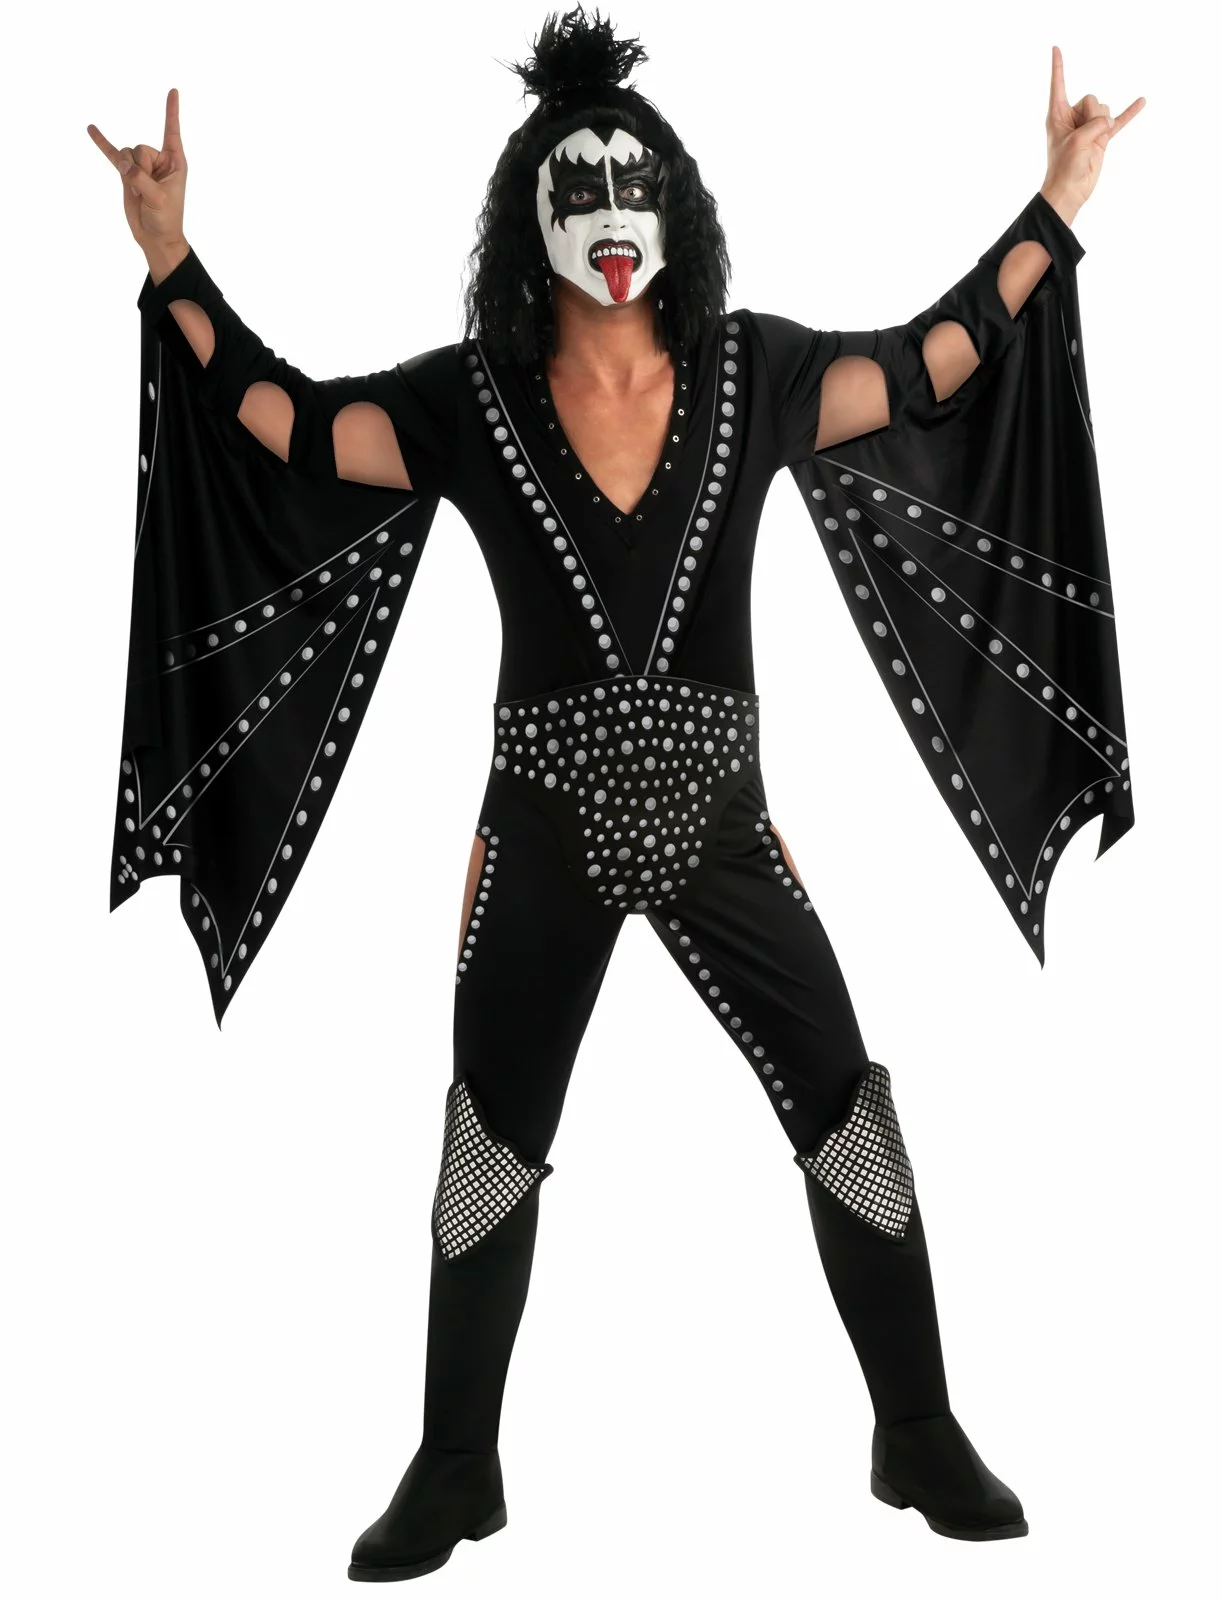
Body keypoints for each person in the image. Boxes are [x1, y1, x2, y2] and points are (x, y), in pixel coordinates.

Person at [90, 4, 1143, 1577]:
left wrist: (1054, 206)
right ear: (528, 219)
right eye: (574, 188)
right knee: (489, 1148)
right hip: (539, 836)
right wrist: (172, 258)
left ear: (677, 204)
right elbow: (289, 427)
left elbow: (937, 363)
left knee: (847, 1108)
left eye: (630, 183)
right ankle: (456, 1467)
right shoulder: (469, 400)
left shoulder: (760, 371)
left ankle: (916, 1431)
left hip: (727, 831)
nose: (606, 212)